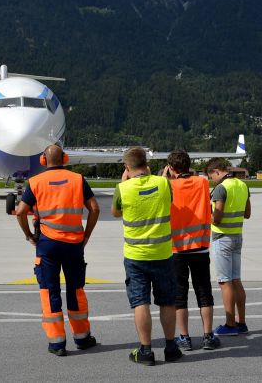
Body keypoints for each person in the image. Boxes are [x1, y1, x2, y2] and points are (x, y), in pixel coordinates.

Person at [16, 144, 100, 356]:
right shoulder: (78, 179)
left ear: (43, 160)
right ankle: (82, 337)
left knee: (49, 291)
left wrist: (29, 235)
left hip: (48, 245)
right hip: (73, 245)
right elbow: (95, 209)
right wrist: (86, 235)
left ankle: (57, 343)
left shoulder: (35, 182)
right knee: (76, 289)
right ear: (65, 158)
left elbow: (20, 212)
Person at [111, 147, 183, 366]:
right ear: (147, 164)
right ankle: (171, 348)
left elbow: (116, 212)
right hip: (162, 253)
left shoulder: (123, 189)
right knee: (167, 302)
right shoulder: (163, 183)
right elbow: (169, 202)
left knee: (140, 302)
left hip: (136, 256)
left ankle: (145, 351)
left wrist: (125, 183)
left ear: (127, 168)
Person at [163, 151, 220, 351]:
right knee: (204, 291)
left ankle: (185, 337)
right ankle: (208, 335)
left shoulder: (167, 185)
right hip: (201, 246)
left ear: (170, 168)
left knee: (180, 295)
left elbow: (163, 186)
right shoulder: (202, 182)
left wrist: (166, 176)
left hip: (177, 248)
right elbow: (197, 178)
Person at [205, 157, 251, 336]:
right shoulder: (242, 185)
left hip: (222, 237)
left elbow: (216, 218)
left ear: (217, 171)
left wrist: (205, 214)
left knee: (225, 282)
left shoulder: (221, 188)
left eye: (211, 177)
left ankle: (230, 324)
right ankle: (241, 322)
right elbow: (247, 213)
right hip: (237, 236)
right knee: (236, 279)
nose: (212, 181)